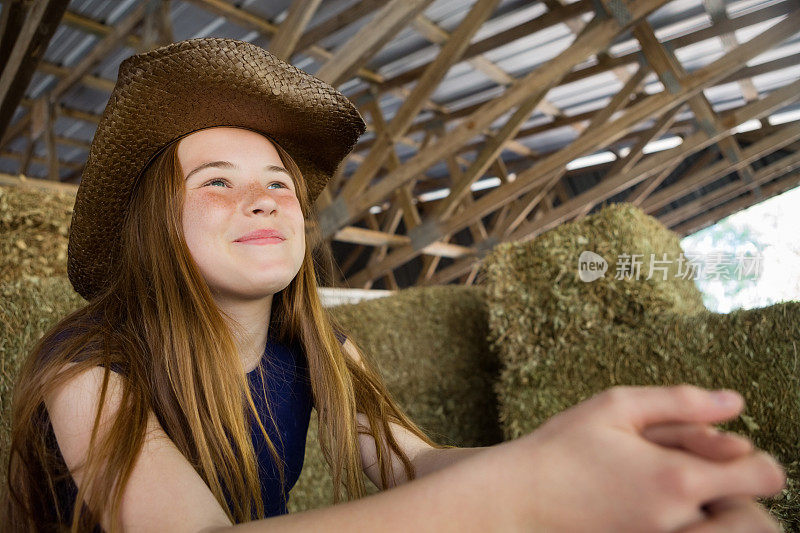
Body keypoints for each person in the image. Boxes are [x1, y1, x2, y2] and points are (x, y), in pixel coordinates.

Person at [1, 38, 785, 533]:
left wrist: (555, 459)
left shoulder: (314, 349)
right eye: (216, 181)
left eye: (280, 182)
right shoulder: (90, 366)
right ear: (155, 228)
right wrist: (522, 496)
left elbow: (413, 464)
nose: (268, 196)